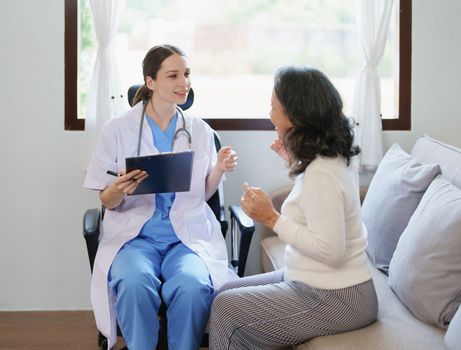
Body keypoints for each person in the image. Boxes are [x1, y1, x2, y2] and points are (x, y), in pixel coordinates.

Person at [209, 66, 378, 350]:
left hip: (338, 295)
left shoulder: (322, 173)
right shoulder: (326, 158)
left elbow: (331, 252)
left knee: (227, 308)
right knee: (225, 291)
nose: (270, 115)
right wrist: (293, 161)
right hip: (315, 281)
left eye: (274, 107)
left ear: (296, 116)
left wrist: (271, 218)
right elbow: (316, 204)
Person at [83, 44, 238, 350]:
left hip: (186, 238)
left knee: (193, 286)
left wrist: (219, 169)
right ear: (150, 82)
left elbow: (202, 194)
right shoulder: (117, 130)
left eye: (187, 74)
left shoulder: (200, 130)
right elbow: (106, 200)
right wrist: (119, 188)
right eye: (173, 75)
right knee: (133, 283)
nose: (184, 83)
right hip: (134, 237)